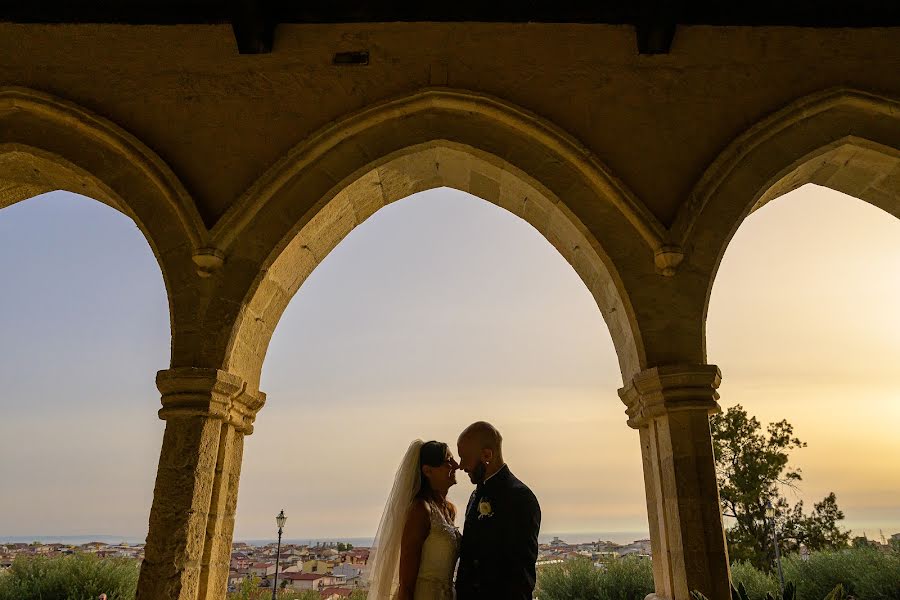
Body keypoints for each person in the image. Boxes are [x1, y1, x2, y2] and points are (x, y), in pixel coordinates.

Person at [455, 421, 541, 600]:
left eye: (464, 458)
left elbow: (520, 574)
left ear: (487, 455)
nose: (461, 466)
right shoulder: (475, 495)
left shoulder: (520, 498)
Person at [367, 439, 461, 600]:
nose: (456, 465)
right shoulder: (420, 510)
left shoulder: (449, 510)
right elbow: (407, 582)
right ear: (428, 471)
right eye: (448, 461)